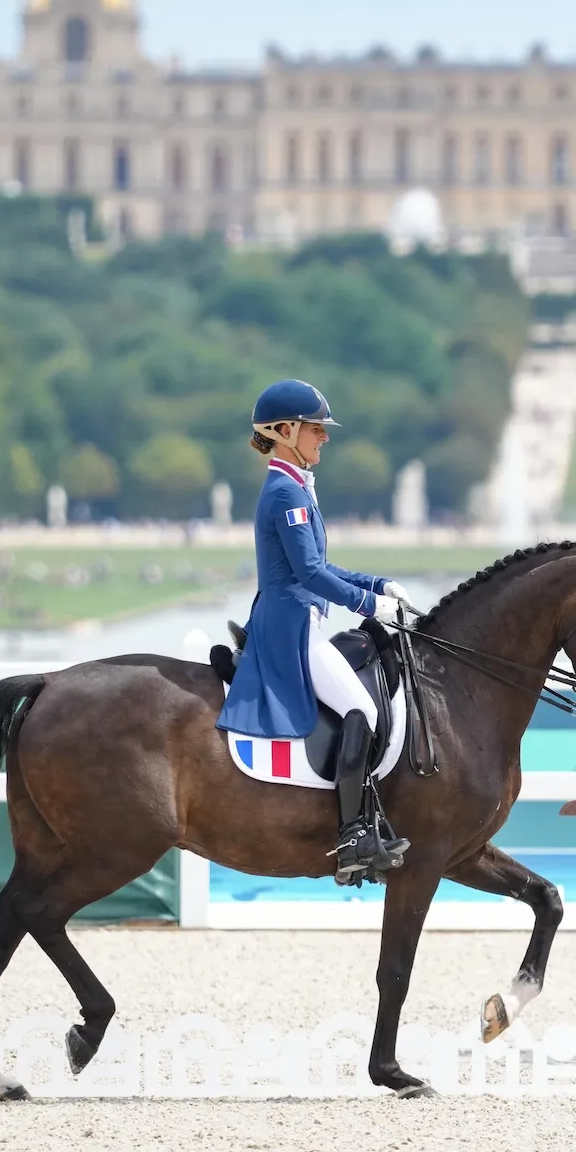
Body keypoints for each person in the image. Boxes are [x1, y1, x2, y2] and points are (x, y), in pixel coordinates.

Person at [215, 379, 418, 885]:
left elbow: (322, 565)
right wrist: (371, 605)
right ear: (285, 432)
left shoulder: (296, 485)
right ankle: (352, 836)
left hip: (300, 622)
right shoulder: (286, 490)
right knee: (361, 709)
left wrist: (376, 582)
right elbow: (309, 575)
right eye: (315, 429)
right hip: (289, 630)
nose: (324, 438)